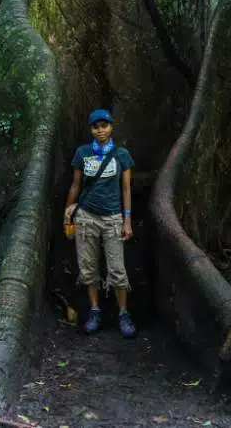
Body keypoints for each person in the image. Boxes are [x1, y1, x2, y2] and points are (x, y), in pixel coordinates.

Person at [65, 108, 136, 337]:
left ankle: (123, 314)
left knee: (117, 269)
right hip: (86, 217)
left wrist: (127, 220)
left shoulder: (121, 154)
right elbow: (76, 185)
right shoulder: (82, 153)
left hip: (113, 218)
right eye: (96, 126)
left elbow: (126, 188)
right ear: (91, 129)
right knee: (88, 269)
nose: (100, 130)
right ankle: (95, 311)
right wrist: (68, 212)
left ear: (111, 127)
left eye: (104, 125)